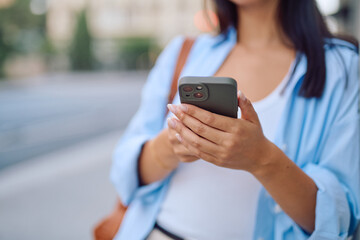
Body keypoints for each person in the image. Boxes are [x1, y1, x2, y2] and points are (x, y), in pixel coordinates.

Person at [110, 0, 360, 239]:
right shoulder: (183, 52)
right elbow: (124, 173)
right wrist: (169, 146)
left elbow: (340, 221)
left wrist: (262, 159)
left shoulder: (342, 67)